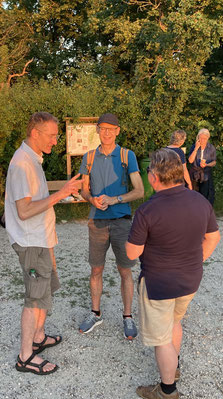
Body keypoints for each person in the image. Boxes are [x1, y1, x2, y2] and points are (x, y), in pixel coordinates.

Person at [125, 148, 220, 399]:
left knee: (161, 337)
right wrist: (196, 259)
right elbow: (213, 237)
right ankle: (173, 367)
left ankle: (167, 390)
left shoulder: (147, 210)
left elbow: (132, 253)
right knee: (175, 322)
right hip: (190, 279)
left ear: (154, 176)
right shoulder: (200, 201)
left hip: (159, 283)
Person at [5, 112, 82, 375]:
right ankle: (25, 357)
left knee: (46, 291)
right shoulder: (21, 165)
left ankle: (38, 337)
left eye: (56, 136)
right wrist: (61, 194)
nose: (55, 141)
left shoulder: (33, 159)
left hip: (42, 239)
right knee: (35, 297)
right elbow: (24, 211)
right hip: (31, 243)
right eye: (51, 136)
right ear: (35, 133)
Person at [78, 113, 144, 339]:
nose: (106, 133)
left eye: (110, 129)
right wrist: (91, 199)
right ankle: (95, 313)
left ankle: (127, 317)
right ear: (97, 130)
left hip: (121, 222)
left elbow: (139, 190)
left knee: (125, 270)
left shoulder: (127, 156)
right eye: (102, 128)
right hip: (96, 221)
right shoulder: (88, 157)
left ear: (118, 131)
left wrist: (115, 199)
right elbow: (83, 188)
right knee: (96, 269)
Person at [188, 129, 216, 205]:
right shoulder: (194, 146)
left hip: (206, 173)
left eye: (205, 138)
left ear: (208, 138)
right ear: (198, 138)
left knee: (205, 195)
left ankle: (204, 212)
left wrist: (207, 164)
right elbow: (190, 160)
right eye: (201, 138)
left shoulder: (211, 148)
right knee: (194, 195)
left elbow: (214, 162)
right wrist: (196, 148)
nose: (202, 140)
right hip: (195, 173)